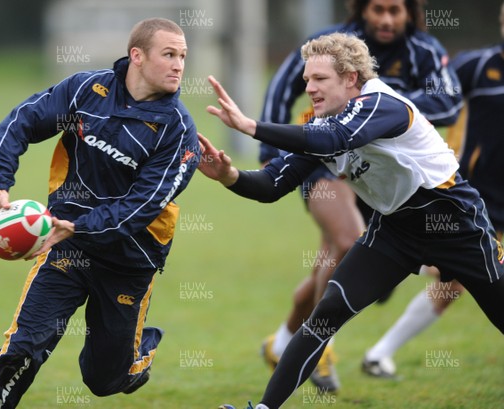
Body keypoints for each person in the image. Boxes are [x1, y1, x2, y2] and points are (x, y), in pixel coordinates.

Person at [196, 32, 504, 409]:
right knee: (327, 312)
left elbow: (335, 140)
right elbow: (271, 185)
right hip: (395, 231)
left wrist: (252, 127)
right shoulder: (323, 123)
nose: (309, 87)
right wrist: (229, 176)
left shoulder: (382, 104)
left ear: (351, 79)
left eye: (319, 79)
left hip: (455, 224)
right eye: (306, 80)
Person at [0, 17, 201, 408]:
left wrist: (75, 226)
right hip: (65, 250)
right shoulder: (85, 91)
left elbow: (140, 208)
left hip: (129, 260)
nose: (179, 65)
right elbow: (22, 122)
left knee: (104, 379)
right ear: (137, 56)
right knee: (24, 347)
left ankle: (136, 354)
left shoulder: (179, 132)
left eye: (183, 56)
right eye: (169, 54)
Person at [259, 0, 462, 392]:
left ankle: (281, 342)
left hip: (381, 171)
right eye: (378, 9)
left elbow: (450, 101)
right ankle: (322, 348)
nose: (386, 19)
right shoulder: (330, 45)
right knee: (348, 240)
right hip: (326, 158)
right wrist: (271, 157)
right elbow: (282, 86)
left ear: (410, 14)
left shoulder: (424, 52)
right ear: (360, 11)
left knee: (331, 263)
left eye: (395, 10)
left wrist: (377, 112)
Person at [361, 1, 504, 378]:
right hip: (470, 195)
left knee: (454, 280)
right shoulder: (477, 67)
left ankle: (379, 348)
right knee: (453, 280)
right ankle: (380, 348)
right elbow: (433, 97)